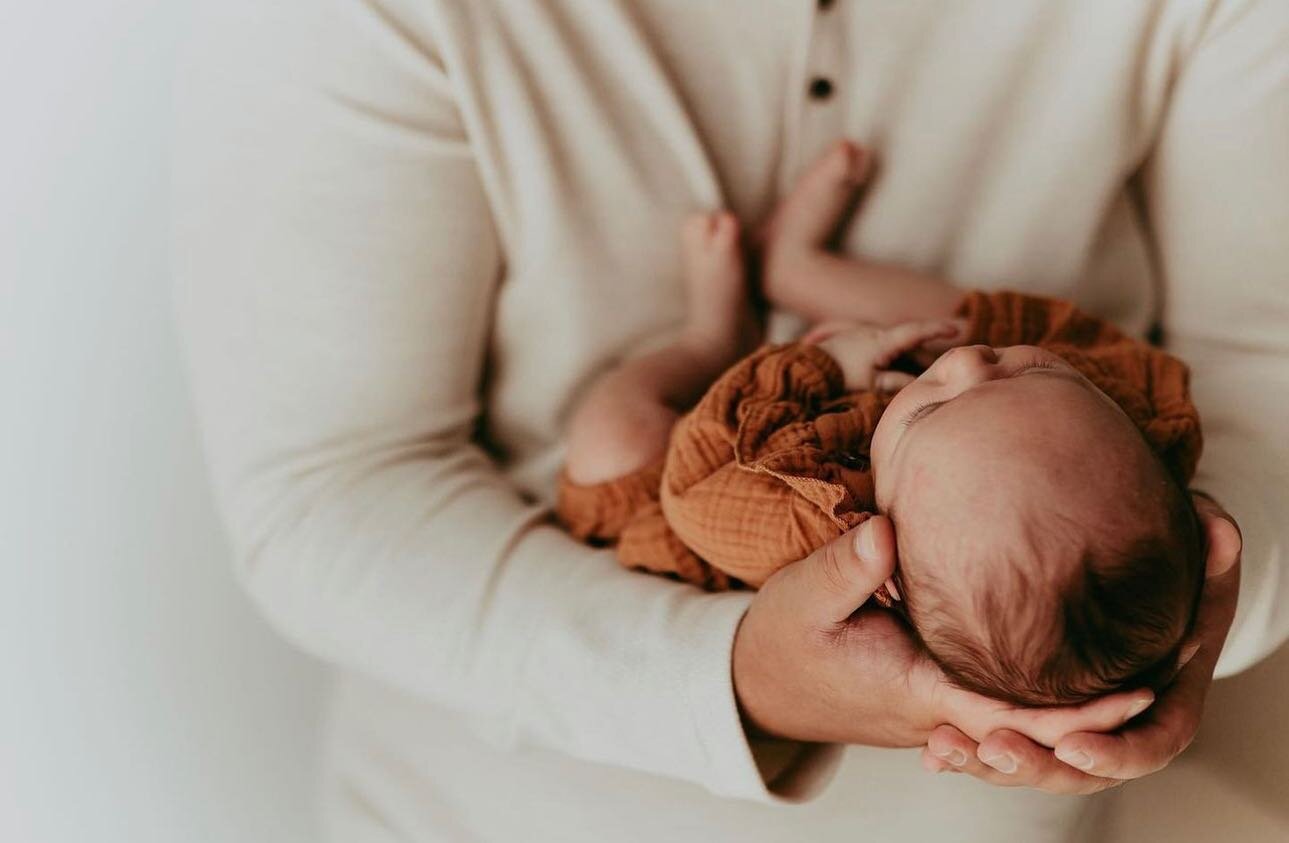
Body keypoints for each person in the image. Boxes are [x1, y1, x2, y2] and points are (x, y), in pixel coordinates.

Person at [173, 1, 1285, 840]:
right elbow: (330, 497)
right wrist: (735, 678)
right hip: (496, 812)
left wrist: (1189, 611)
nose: (969, 364)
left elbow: (1259, 385)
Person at [556, 140, 1206, 708]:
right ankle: (798, 267)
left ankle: (711, 333)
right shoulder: (1088, 442)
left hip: (714, 467)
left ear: (882, 547)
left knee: (610, 440)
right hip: (889, 413)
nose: (960, 365)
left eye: (931, 405)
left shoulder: (813, 525)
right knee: (980, 325)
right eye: (1028, 376)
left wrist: (822, 364)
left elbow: (692, 484)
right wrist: (956, 389)